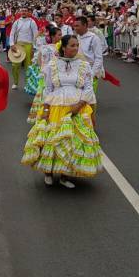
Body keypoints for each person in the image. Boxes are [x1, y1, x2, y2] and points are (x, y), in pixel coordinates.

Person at [22, 34, 102, 188]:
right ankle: (48, 172)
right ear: (63, 47)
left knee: (72, 141)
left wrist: (78, 106)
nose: (76, 48)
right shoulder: (52, 65)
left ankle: (65, 176)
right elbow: (48, 89)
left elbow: (88, 88)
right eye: (72, 45)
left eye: (77, 45)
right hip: (56, 105)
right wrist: (45, 108)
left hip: (77, 105)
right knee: (52, 140)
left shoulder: (84, 65)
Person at [9, 8, 39, 89]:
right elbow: (12, 33)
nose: (24, 12)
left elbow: (35, 35)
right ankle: (15, 82)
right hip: (18, 45)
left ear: (29, 12)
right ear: (20, 12)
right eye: (22, 11)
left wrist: (34, 47)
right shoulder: (17, 22)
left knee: (28, 65)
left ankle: (28, 83)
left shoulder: (32, 22)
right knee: (15, 65)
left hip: (28, 45)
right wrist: (11, 44)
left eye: (25, 11)